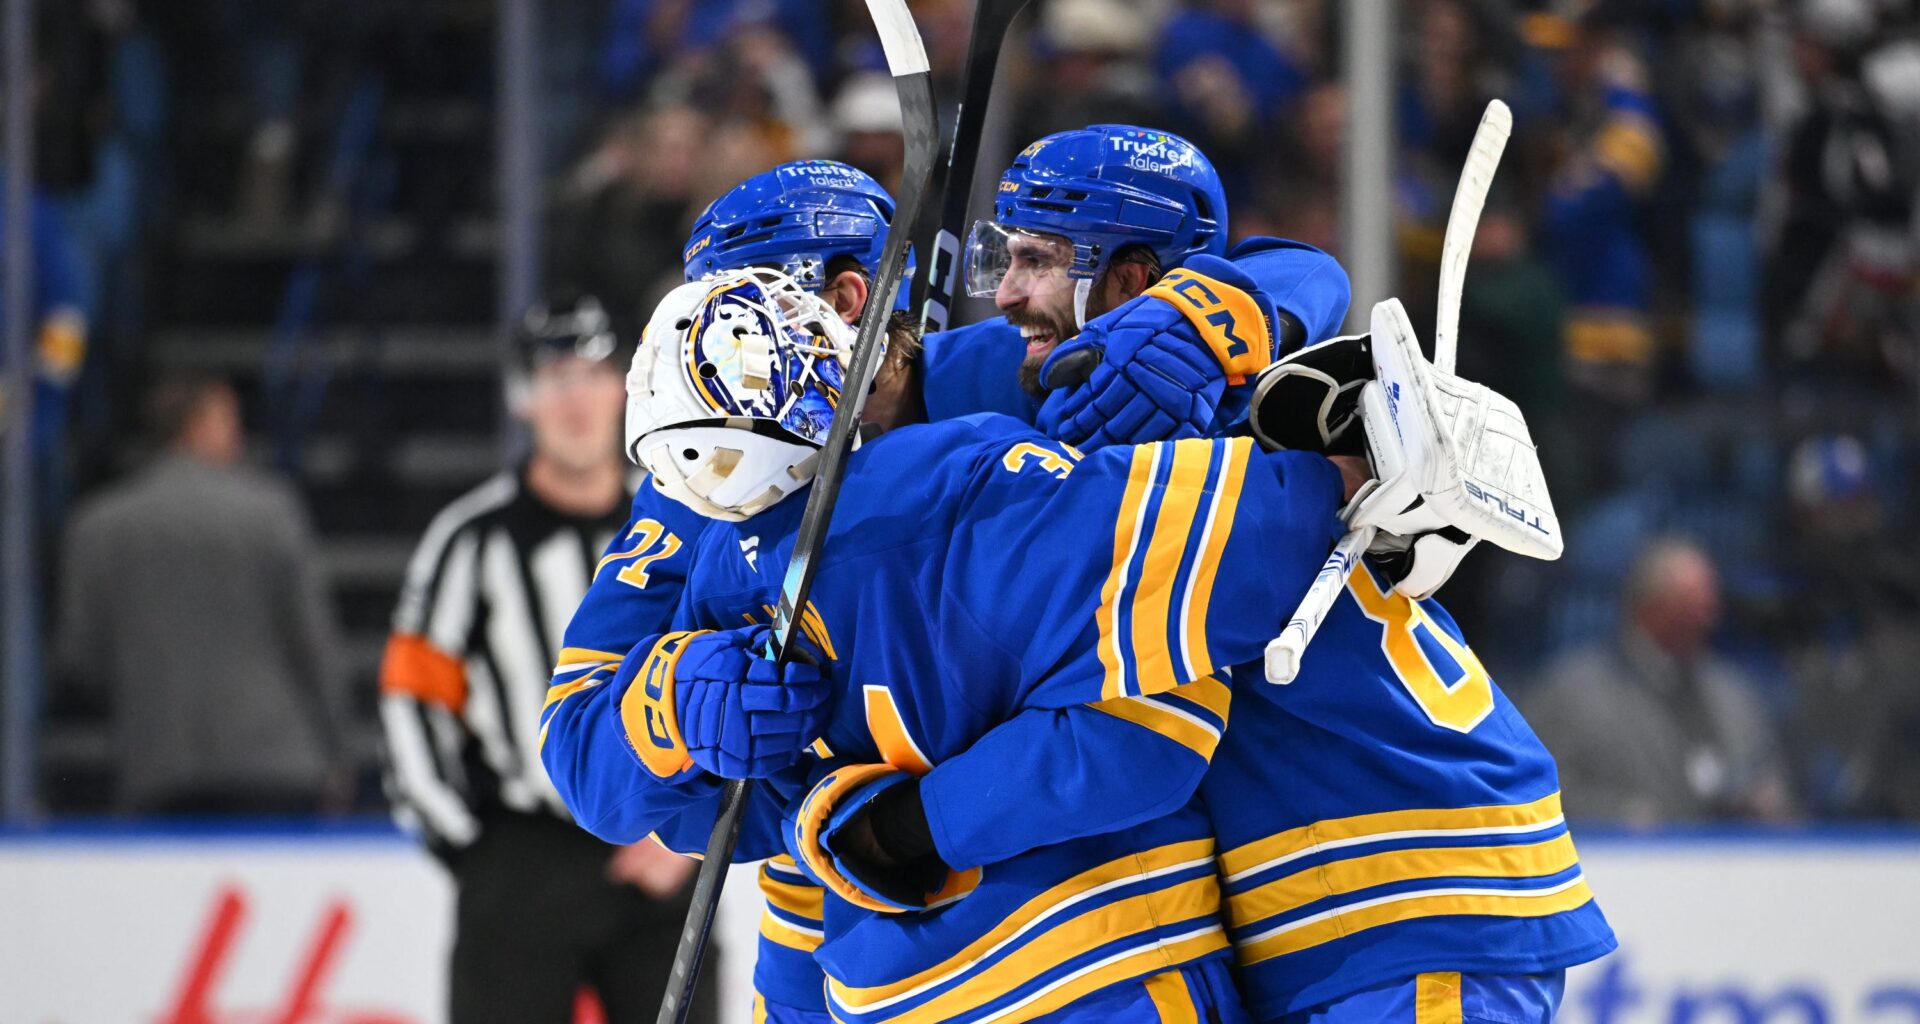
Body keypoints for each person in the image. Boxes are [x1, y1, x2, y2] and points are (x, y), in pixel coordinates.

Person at [542, 266, 1368, 1024]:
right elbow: (1164, 720)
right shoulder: (956, 464)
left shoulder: (720, 574)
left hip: (885, 985)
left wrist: (684, 711)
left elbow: (704, 812)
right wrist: (1345, 473)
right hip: (1102, 958)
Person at [378, 298, 712, 1024]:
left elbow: (730, 668)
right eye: (556, 377)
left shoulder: (685, 518)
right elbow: (410, 703)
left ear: (626, 385)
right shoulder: (470, 541)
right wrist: (481, 856)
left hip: (662, 843)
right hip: (523, 856)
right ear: (521, 397)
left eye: (594, 374)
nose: (577, 399)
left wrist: (697, 833)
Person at [54, 375, 345, 813]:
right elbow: (313, 642)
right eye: (231, 423)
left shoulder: (97, 527)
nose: (239, 439)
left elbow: (82, 658)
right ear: (200, 426)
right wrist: (338, 751)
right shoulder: (269, 512)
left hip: (160, 766)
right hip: (276, 760)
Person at [1522, 536, 1794, 825]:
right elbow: (1532, 787)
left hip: (1732, 863)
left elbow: (1772, 782)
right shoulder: (1572, 694)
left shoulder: (1732, 693)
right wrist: (1617, 815)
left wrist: (1766, 802)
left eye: (1711, 604)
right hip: (1616, 863)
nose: (1709, 617)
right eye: (1691, 604)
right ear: (1648, 605)